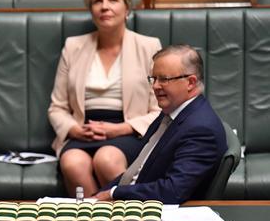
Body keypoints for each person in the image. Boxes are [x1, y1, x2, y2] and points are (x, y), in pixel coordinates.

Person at [48, 0, 161, 198]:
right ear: (91, 10)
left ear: (127, 8)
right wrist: (74, 129)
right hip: (84, 131)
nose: (104, 7)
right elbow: (57, 107)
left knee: (106, 159)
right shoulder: (73, 47)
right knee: (72, 162)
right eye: (97, 1)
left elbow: (159, 109)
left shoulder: (149, 46)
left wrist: (120, 129)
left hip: (130, 131)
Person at [94, 44, 227, 204]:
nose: (155, 86)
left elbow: (172, 190)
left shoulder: (201, 130)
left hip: (159, 217)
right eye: (154, 79)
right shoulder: (170, 113)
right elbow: (137, 170)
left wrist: (115, 193)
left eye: (164, 79)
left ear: (191, 82)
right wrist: (98, 196)